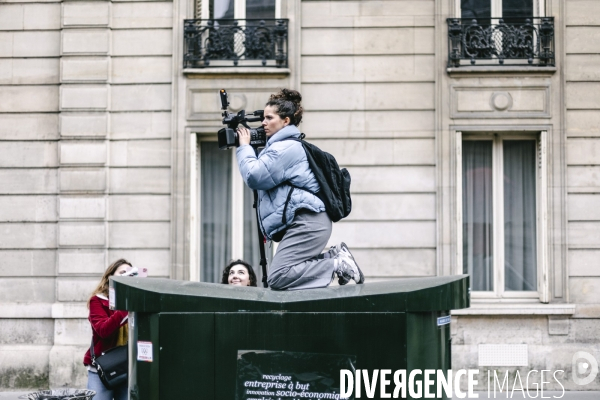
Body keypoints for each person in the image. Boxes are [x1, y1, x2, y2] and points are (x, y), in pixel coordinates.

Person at [235, 88, 365, 290]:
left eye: (269, 118)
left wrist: (244, 147)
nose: (263, 122)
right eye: (263, 118)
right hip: (308, 221)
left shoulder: (286, 148)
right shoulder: (282, 147)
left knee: (278, 276)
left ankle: (338, 263)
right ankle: (334, 257)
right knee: (284, 274)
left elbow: (254, 176)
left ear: (286, 121)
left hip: (309, 221)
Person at [83, 259, 134, 400]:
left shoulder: (136, 301)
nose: (127, 276)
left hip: (127, 366)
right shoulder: (97, 301)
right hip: (104, 366)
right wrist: (124, 306)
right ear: (110, 277)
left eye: (130, 274)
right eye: (122, 272)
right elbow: (102, 330)